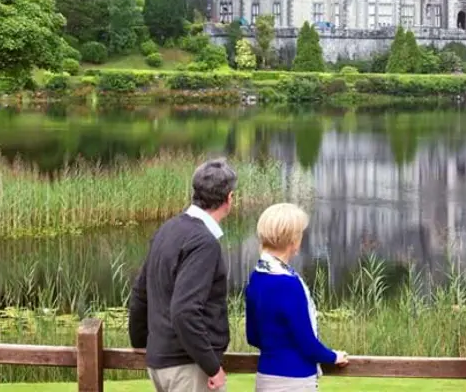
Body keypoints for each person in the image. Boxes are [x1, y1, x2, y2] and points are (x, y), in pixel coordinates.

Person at [130, 160, 237, 392]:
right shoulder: (204, 242)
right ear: (229, 198)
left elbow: (140, 293)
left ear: (195, 192)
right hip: (188, 366)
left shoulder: (167, 229)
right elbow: (185, 310)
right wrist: (212, 367)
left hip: (162, 362)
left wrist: (141, 344)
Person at [245, 203, 348, 391]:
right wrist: (333, 357)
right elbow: (308, 343)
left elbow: (252, 336)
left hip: (266, 375)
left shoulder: (257, 276)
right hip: (294, 380)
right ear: (293, 240)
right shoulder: (288, 284)